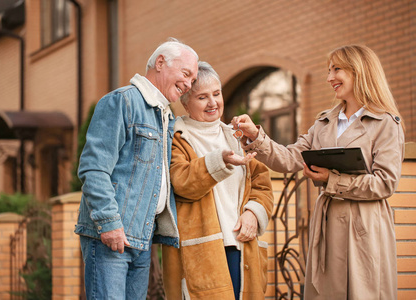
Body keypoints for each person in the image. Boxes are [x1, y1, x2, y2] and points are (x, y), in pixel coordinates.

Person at [231, 45, 405, 299]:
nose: (329, 78)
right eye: (328, 70)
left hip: (365, 226)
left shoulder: (386, 123)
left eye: (337, 69)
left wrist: (332, 180)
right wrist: (257, 136)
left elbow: (385, 183)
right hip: (328, 225)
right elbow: (290, 159)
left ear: (359, 71)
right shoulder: (324, 122)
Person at [74, 38, 199, 299]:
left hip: (141, 237)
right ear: (161, 63)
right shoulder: (122, 102)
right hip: (111, 237)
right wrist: (109, 224)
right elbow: (93, 169)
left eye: (193, 80)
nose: (189, 84)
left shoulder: (164, 115)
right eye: (186, 74)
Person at [162, 61, 274, 299]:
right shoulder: (176, 137)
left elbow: (262, 183)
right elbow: (181, 182)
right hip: (201, 251)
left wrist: (253, 212)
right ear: (185, 101)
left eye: (216, 93)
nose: (213, 103)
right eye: (202, 97)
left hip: (241, 244)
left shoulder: (237, 137)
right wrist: (218, 161)